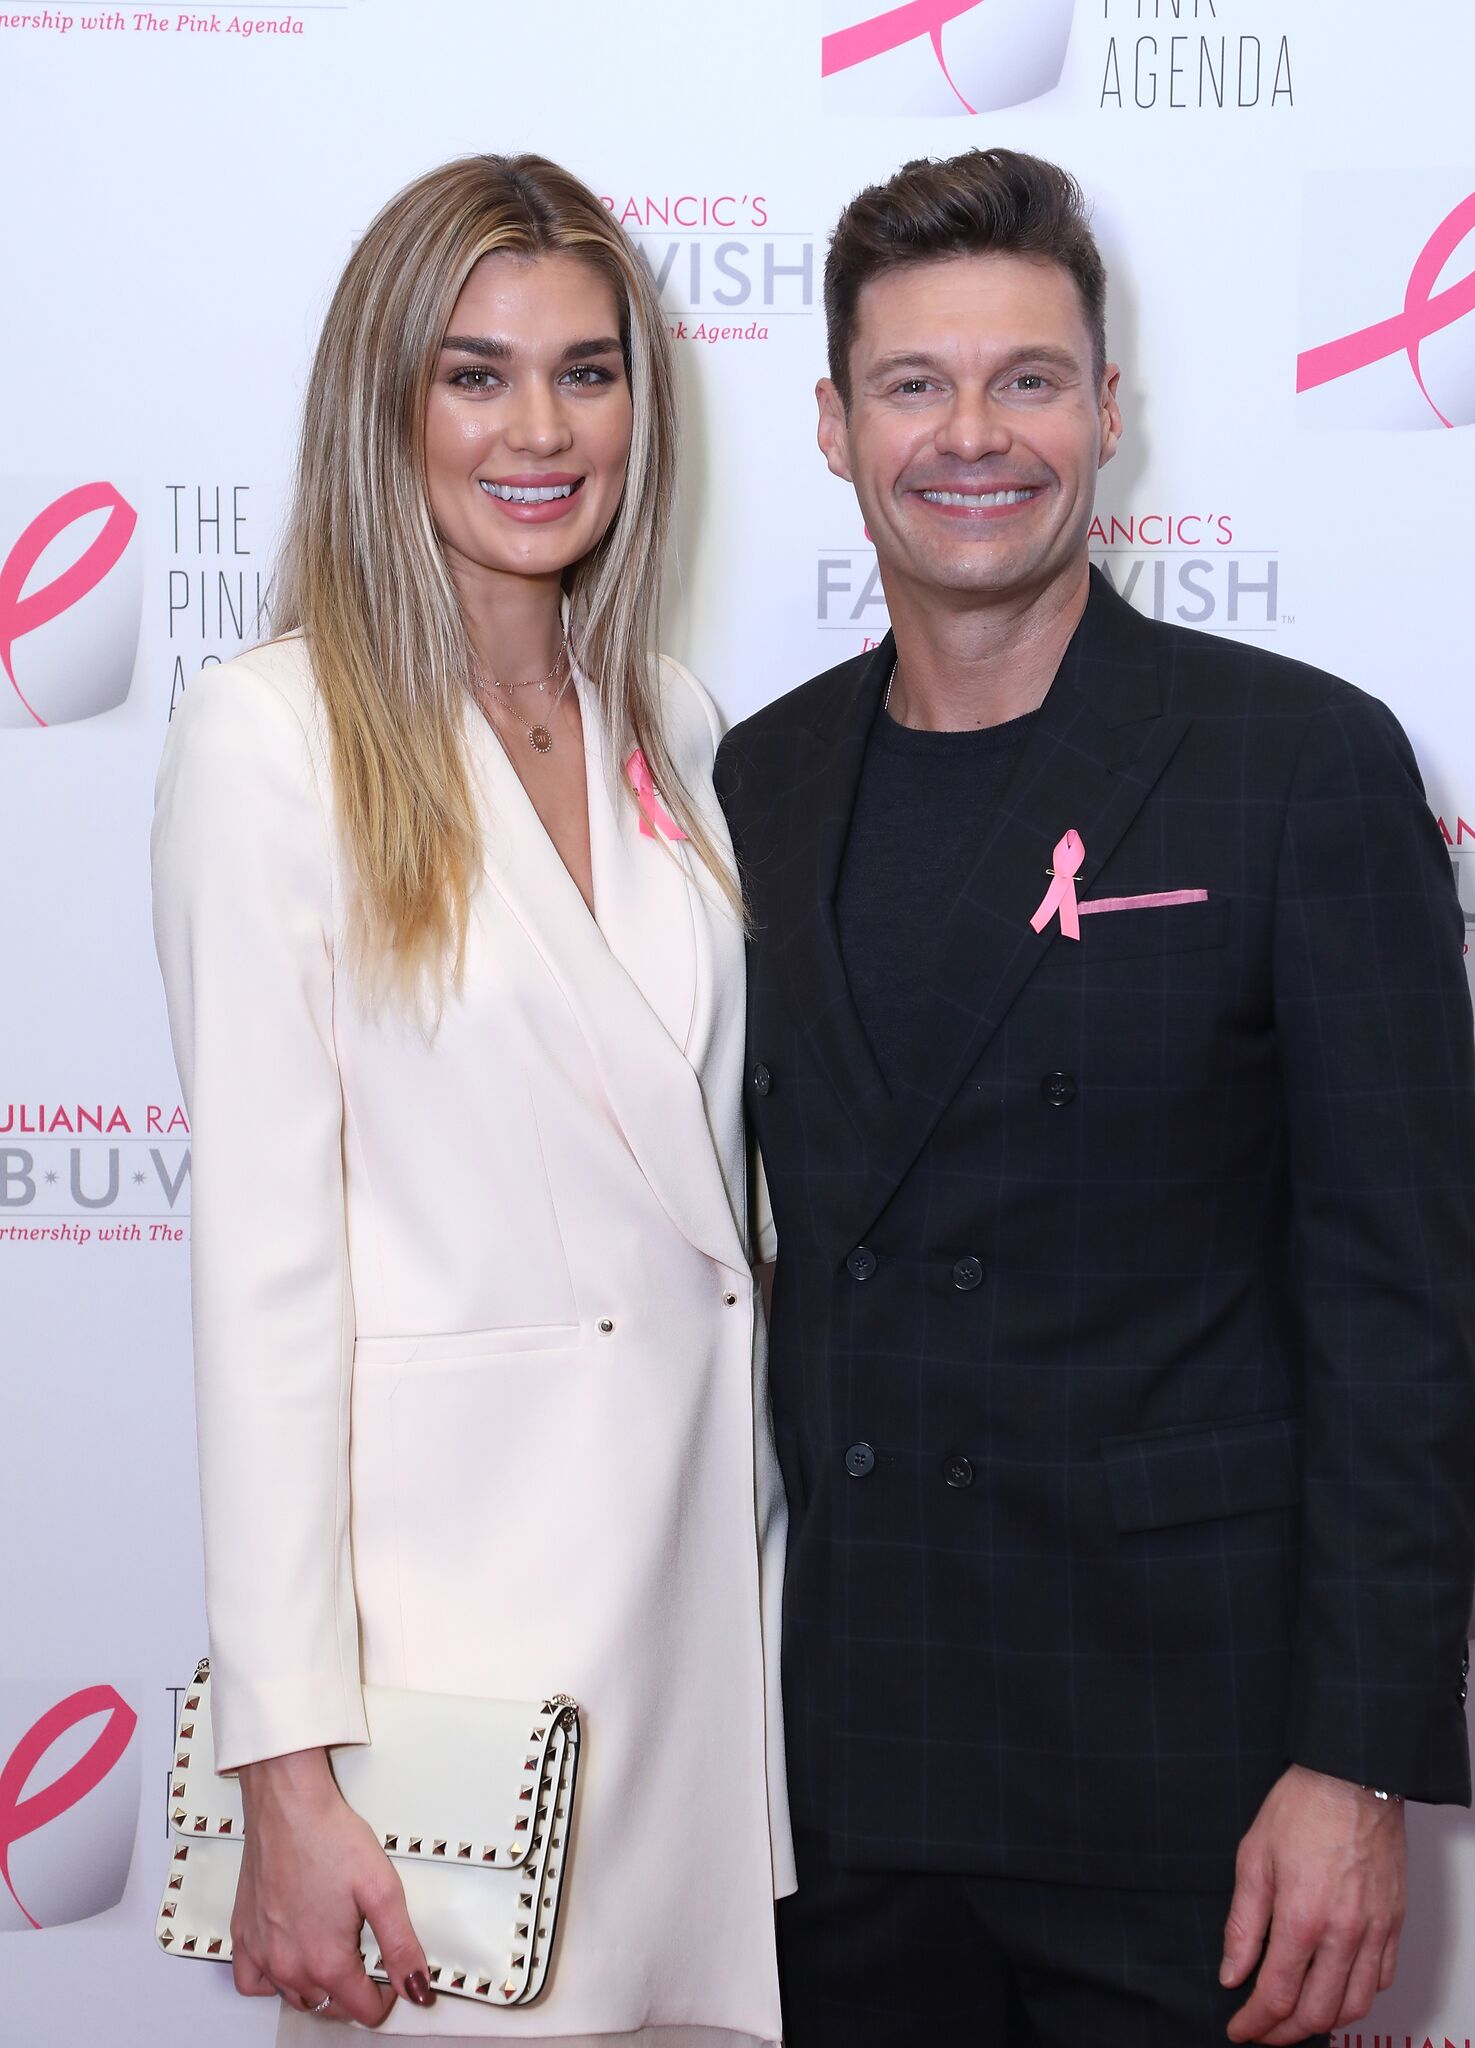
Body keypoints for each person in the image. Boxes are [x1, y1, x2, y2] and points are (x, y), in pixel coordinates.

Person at [714, 147, 1475, 2048]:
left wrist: (1356, 1767)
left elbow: (1401, 1310)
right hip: (839, 1779)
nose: (973, 435)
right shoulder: (761, 785)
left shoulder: (1298, 765)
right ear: (832, 424)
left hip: (1193, 1787)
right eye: (914, 384)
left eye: (1029, 379)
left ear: (1110, 411)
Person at [152, 152, 793, 2045]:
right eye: (476, 372)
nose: (540, 427)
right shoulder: (272, 737)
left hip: (704, 1641)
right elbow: (264, 1287)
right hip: (446, 1697)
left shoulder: (671, 716)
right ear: (388, 402)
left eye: (587, 371)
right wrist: (287, 1769)